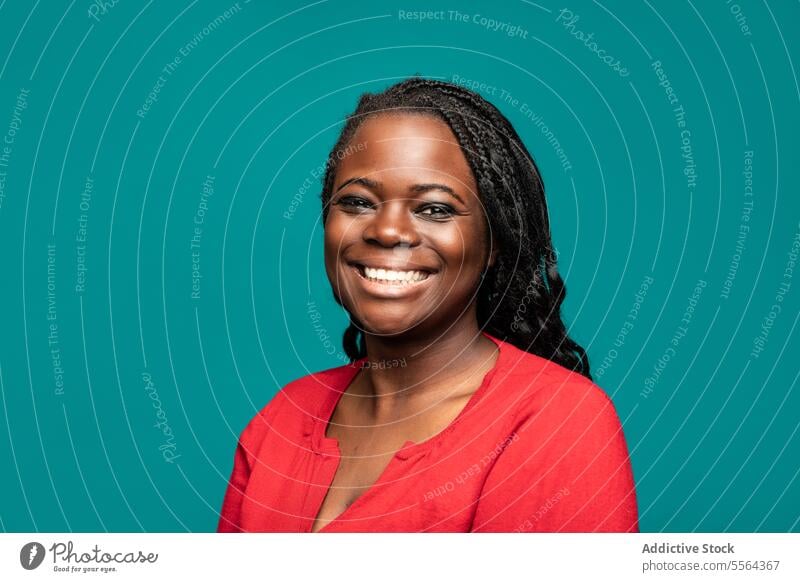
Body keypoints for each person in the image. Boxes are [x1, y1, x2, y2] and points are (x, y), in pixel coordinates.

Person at [218, 77, 638, 533]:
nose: (388, 230)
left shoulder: (558, 424)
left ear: (494, 240)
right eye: (357, 202)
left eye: (435, 209)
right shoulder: (283, 418)